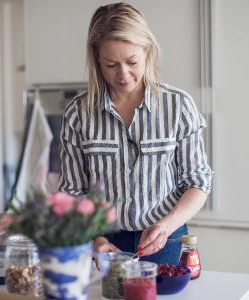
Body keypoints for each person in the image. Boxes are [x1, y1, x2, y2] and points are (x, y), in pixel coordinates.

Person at [58, 2, 212, 264]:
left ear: (147, 51)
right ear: (96, 59)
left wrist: (165, 226)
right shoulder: (78, 114)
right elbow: (72, 191)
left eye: (132, 61)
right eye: (111, 64)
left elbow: (199, 182)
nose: (123, 74)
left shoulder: (178, 106)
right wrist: (95, 239)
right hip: (102, 242)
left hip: (164, 239)